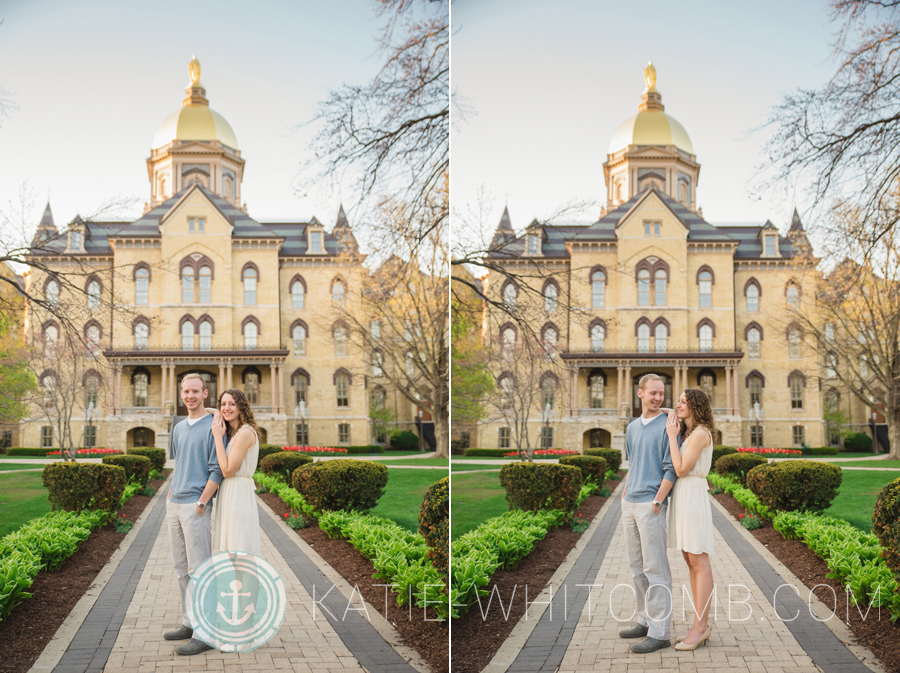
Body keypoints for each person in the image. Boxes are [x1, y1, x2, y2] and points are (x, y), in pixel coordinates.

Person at [163, 373, 222, 656]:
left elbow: (217, 468)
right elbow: (179, 462)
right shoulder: (178, 427)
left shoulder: (214, 425)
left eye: (196, 391)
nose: (190, 396)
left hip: (195, 507)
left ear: (205, 394)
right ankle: (189, 622)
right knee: (180, 569)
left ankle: (206, 632)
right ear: (181, 393)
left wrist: (201, 502)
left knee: (200, 571)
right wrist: (171, 493)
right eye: (186, 391)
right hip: (174, 503)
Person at [617, 373, 677, 653]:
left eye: (661, 393)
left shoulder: (668, 424)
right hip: (629, 503)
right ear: (639, 393)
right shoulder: (631, 427)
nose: (657, 398)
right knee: (636, 567)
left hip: (651, 506)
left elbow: (671, 468)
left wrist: (657, 502)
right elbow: (632, 462)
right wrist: (626, 491)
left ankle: (661, 631)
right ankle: (644, 620)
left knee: (656, 569)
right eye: (652, 393)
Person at [665, 389, 716, 651]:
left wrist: (672, 438)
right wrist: (666, 413)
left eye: (683, 401)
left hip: (693, 495)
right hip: (682, 496)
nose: (678, 404)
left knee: (699, 560)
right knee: (689, 559)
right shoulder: (690, 432)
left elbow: (681, 468)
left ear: (695, 405)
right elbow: (671, 413)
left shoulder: (699, 433)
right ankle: (699, 623)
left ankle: (701, 627)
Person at [210, 388, 262, 555]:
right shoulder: (232, 432)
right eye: (223, 404)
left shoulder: (245, 432)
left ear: (241, 407)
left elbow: (226, 470)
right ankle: (232, 582)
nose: (227, 408)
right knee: (228, 550)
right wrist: (214, 411)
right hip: (227, 493)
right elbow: (211, 411)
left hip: (239, 495)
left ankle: (245, 582)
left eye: (232, 404)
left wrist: (218, 437)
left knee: (239, 550)